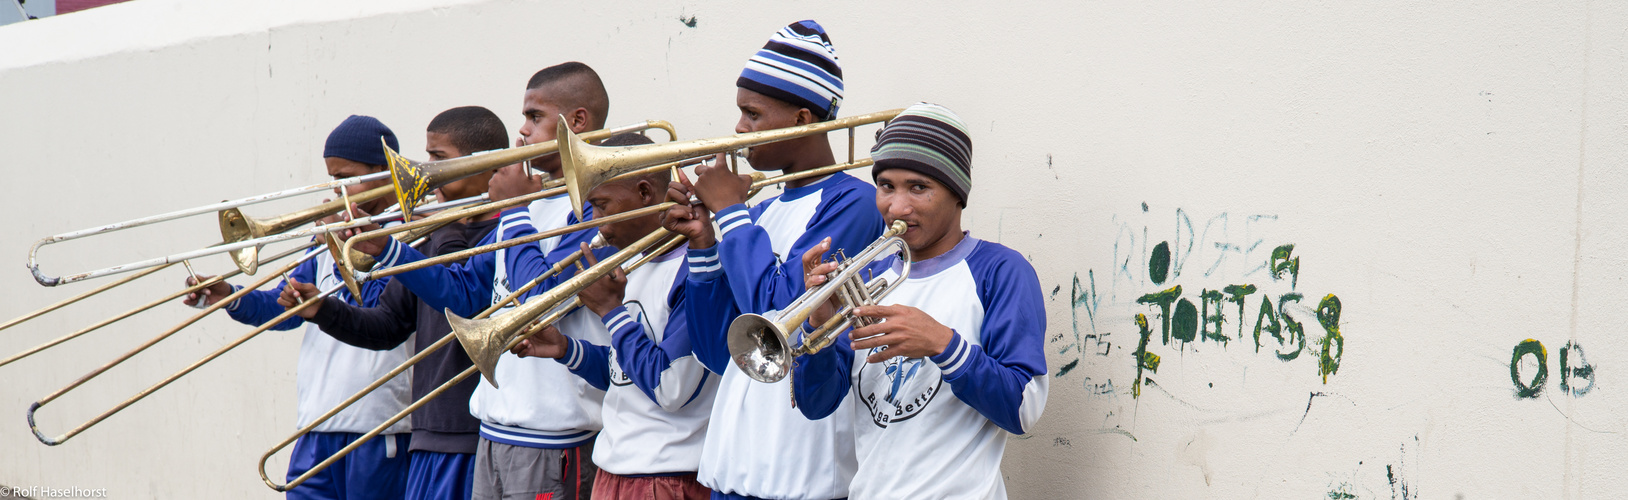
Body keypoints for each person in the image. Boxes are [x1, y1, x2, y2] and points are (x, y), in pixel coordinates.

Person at [349, 62, 613, 500]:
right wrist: (390, 251)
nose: (522, 132)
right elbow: (466, 295)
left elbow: (543, 299)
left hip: (554, 434)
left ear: (577, 121)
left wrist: (512, 211)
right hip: (494, 428)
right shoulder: (534, 203)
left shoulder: (596, 209)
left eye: (534, 117)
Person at [661, 20, 881, 500]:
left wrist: (729, 213)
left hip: (801, 475)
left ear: (804, 119)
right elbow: (721, 352)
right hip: (733, 471)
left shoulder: (855, 203)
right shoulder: (759, 211)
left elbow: (784, 316)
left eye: (753, 114)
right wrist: (702, 244)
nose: (739, 129)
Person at [789, 104, 1049, 499]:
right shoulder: (870, 275)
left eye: (918, 187)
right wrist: (816, 327)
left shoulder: (1001, 271)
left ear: (957, 195)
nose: (896, 207)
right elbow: (817, 405)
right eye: (886, 186)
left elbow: (1023, 409)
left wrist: (944, 344)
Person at [283, 106, 509, 500]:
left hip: (472, 433)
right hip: (427, 432)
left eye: (438, 159)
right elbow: (387, 326)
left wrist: (401, 244)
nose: (424, 171)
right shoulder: (433, 235)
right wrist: (322, 310)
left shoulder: (508, 232)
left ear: (481, 165)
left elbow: (462, 296)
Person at [182, 115, 411, 500]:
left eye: (347, 176)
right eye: (331, 177)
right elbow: (283, 307)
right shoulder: (326, 237)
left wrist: (343, 243)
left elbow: (376, 315)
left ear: (386, 172)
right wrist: (228, 295)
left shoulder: (407, 235)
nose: (337, 188)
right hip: (316, 423)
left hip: (379, 424)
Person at [510, 133, 716, 500]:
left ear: (644, 193)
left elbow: (671, 388)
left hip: (665, 476)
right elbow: (627, 376)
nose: (599, 224)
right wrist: (566, 350)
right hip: (615, 467)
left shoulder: (695, 272)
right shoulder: (632, 266)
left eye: (603, 206)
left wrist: (610, 312)